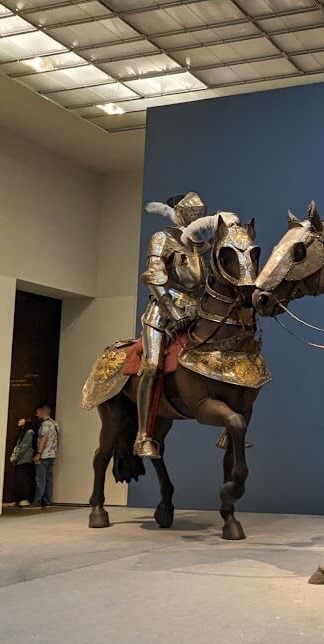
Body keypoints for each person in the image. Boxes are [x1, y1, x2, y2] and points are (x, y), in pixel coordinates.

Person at [135, 192, 210, 458]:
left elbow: (206, 285)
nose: (195, 217)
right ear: (178, 212)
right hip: (163, 312)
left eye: (199, 213)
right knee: (152, 364)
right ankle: (143, 435)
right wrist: (172, 311)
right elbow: (153, 278)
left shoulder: (202, 246)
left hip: (197, 313)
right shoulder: (162, 238)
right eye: (191, 213)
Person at [33, 405, 59, 508]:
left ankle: (37, 501)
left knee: (40, 479)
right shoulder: (54, 424)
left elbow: (44, 438)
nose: (36, 415)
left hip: (44, 455)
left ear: (44, 413)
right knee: (48, 479)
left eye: (38, 412)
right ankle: (47, 501)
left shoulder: (45, 424)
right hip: (52, 455)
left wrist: (39, 453)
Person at [7, 417, 37, 507]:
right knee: (18, 479)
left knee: (23, 479)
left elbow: (24, 446)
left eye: (22, 420)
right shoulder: (22, 432)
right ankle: (17, 498)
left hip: (25, 459)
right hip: (20, 459)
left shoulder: (29, 432)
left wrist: (17, 457)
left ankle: (24, 498)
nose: (19, 421)